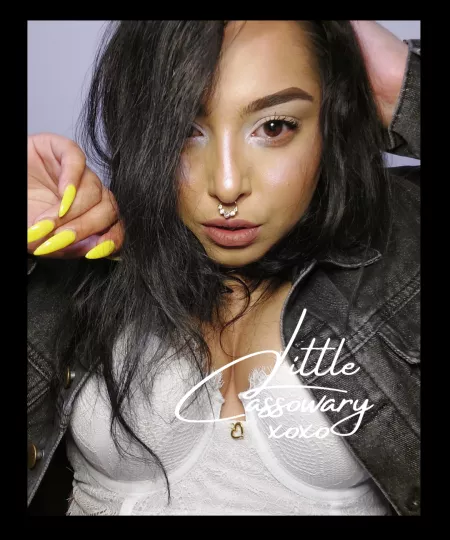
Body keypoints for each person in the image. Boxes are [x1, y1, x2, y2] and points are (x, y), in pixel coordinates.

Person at [27, 20, 420, 516]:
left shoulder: (401, 245)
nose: (228, 185)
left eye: (274, 127)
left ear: (331, 118)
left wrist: (403, 85)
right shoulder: (81, 250)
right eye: (185, 131)